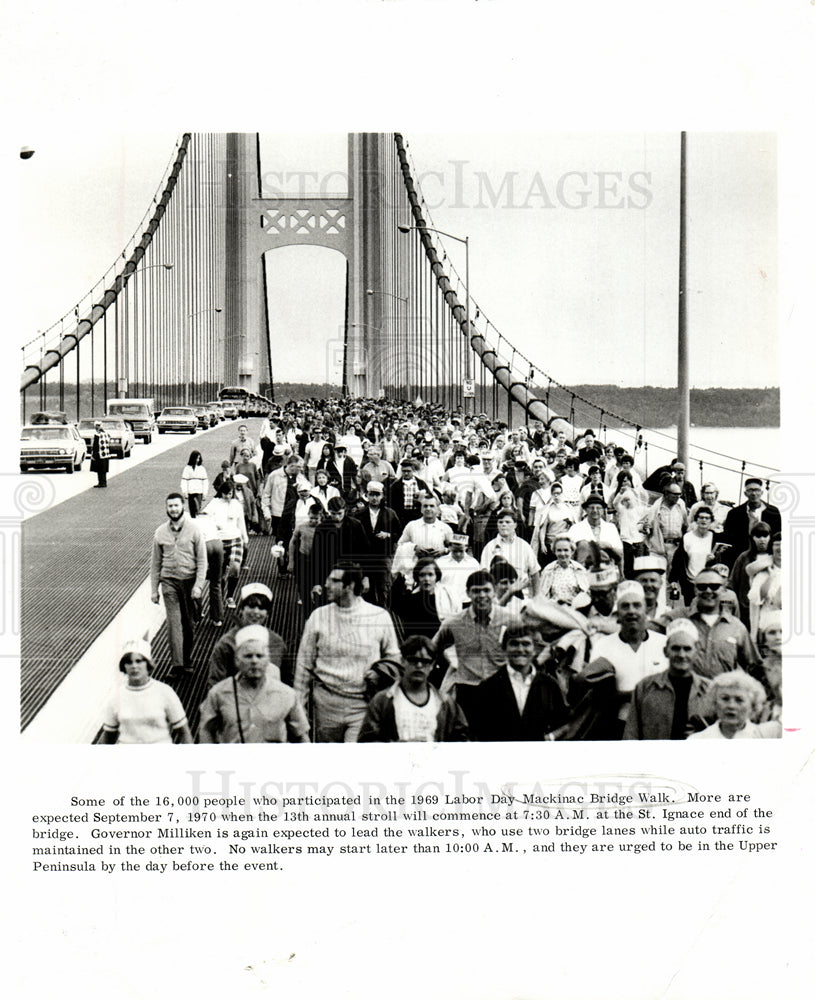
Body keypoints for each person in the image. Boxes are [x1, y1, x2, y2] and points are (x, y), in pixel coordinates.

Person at [294, 561, 400, 742]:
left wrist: (381, 673)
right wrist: (299, 713)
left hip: (363, 705)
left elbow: (394, 656)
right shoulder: (318, 616)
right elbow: (303, 667)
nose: (326, 584)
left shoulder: (379, 616)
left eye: (333, 580)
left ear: (349, 586)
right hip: (326, 705)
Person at [584, 580, 670, 737]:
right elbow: (598, 696)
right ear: (618, 613)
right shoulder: (603, 646)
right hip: (617, 726)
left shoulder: (663, 643)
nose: (631, 611)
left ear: (645, 610)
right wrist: (637, 694)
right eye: (625, 606)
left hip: (659, 726)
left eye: (637, 605)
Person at [199, 625, 310, 743]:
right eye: (248, 656)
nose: (254, 661)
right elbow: (206, 730)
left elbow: (301, 736)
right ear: (237, 660)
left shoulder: (287, 695)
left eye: (259, 656)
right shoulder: (218, 694)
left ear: (268, 660)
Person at [456, 624, 569, 741]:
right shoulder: (488, 687)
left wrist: (548, 738)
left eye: (526, 644)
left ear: (535, 650)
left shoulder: (549, 685)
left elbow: (564, 723)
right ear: (504, 648)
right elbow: (478, 732)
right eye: (514, 644)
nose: (520, 649)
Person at [358, 636, 469, 742]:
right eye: (413, 660)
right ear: (402, 661)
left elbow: (461, 741)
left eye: (425, 661)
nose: (419, 665)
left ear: (432, 665)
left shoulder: (445, 703)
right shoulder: (383, 701)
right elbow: (366, 743)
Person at [432, 569, 518, 693]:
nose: (482, 595)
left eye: (486, 590)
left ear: (494, 592)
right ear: (468, 593)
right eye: (476, 591)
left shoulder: (510, 621)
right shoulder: (454, 623)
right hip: (467, 690)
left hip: (501, 690)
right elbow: (431, 650)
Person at [623, 619, 710, 740]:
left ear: (696, 652)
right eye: (675, 648)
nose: (681, 655)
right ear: (665, 651)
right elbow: (631, 734)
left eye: (687, 649)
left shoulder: (710, 691)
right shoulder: (645, 687)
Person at [150, 493, 207, 675]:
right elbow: (155, 563)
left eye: (176, 505)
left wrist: (198, 586)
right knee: (174, 623)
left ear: (183, 506)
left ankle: (188, 659)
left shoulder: (194, 530)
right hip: (169, 582)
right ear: (166, 509)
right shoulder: (160, 532)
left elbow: (202, 561)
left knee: (188, 624)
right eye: (170, 506)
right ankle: (177, 664)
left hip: (189, 582)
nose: (173, 509)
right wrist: (154, 590)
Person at [100, 639, 192, 744]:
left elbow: (184, 732)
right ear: (123, 666)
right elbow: (108, 737)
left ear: (148, 664)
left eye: (139, 661)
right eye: (129, 662)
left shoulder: (165, 692)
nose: (134, 666)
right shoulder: (116, 697)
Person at [674, 568, 761, 679]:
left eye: (714, 586)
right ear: (695, 590)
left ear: (723, 589)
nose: (708, 591)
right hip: (687, 694)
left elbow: (755, 667)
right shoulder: (678, 618)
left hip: (722, 693)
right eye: (702, 586)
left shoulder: (736, 627)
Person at [207, 583, 289, 689]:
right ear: (241, 609)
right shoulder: (227, 643)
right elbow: (215, 683)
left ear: (268, 613)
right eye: (251, 606)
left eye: (261, 608)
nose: (256, 612)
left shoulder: (277, 642)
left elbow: (287, 681)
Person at [688, 669, 781, 740]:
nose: (731, 705)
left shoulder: (765, 737)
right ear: (714, 703)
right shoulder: (697, 740)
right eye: (725, 699)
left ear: (753, 706)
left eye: (739, 700)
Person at [355, 479, 401, 607]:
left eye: (377, 495)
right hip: (365, 558)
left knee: (383, 590)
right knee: (365, 590)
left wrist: (388, 535)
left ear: (382, 496)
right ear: (367, 496)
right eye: (371, 495)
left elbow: (399, 534)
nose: (374, 498)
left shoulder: (390, 514)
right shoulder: (359, 515)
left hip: (383, 557)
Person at [206, 480, 249, 610]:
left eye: (230, 494)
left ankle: (230, 595)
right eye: (225, 494)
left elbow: (241, 522)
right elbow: (204, 517)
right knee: (220, 571)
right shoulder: (214, 503)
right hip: (220, 540)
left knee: (235, 568)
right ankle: (220, 596)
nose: (228, 497)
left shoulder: (236, 504)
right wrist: (213, 525)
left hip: (235, 539)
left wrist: (245, 538)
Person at [669, 505, 721, 604]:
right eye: (701, 517)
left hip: (708, 583)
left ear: (711, 521)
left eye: (707, 518)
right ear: (696, 520)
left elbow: (721, 561)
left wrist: (714, 559)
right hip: (690, 583)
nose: (704, 520)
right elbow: (678, 559)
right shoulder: (687, 537)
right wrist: (673, 579)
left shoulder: (715, 538)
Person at [480, 510, 540, 596]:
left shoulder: (524, 546)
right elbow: (485, 573)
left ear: (515, 525)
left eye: (507, 522)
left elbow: (535, 573)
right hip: (498, 596)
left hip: (522, 595)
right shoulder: (489, 547)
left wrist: (536, 597)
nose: (503, 525)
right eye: (500, 522)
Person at [722, 477, 781, 559]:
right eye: (750, 490)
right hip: (742, 556)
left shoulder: (773, 512)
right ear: (745, 493)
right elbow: (728, 538)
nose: (753, 493)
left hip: (767, 555)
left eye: (757, 490)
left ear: (761, 492)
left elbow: (778, 536)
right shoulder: (734, 514)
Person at [729, 521, 772, 626]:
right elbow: (733, 582)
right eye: (758, 536)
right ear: (752, 538)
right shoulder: (744, 558)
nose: (762, 539)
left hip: (769, 609)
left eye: (765, 535)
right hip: (746, 610)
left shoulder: (776, 558)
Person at [567, 494, 623, 565]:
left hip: (607, 570)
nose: (595, 510)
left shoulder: (611, 528)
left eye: (598, 508)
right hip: (584, 571)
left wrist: (609, 546)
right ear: (586, 510)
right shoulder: (575, 528)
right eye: (591, 508)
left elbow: (621, 554)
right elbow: (568, 552)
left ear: (603, 510)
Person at [642, 480, 688, 566]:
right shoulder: (655, 508)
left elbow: (685, 526)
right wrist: (645, 528)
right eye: (674, 494)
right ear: (666, 494)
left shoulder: (681, 506)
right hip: (658, 548)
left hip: (676, 548)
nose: (678, 496)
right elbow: (643, 525)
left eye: (679, 494)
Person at [746, 531, 782, 640]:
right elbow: (756, 599)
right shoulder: (763, 573)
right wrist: (770, 578)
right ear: (771, 547)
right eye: (777, 544)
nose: (780, 548)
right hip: (769, 623)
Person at [538, 536, 589, 607]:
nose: (562, 554)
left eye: (566, 550)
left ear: (572, 551)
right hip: (554, 610)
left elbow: (586, 595)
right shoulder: (548, 570)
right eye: (559, 550)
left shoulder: (580, 570)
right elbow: (542, 596)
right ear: (554, 551)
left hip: (575, 609)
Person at [436, 533, 481, 612]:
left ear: (466, 547)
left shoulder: (474, 563)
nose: (458, 554)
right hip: (446, 604)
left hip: (467, 603)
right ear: (449, 547)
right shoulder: (440, 562)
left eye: (461, 551)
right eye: (455, 551)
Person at [180, 450, 209, 518]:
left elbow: (205, 482)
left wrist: (205, 493)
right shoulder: (187, 469)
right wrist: (185, 492)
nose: (197, 460)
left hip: (199, 492)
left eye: (199, 458)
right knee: (192, 511)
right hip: (191, 492)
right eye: (196, 458)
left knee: (197, 509)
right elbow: (184, 481)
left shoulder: (202, 469)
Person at [90, 419, 111, 488]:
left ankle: (101, 483)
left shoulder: (97, 435)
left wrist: (93, 455)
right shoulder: (106, 433)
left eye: (97, 426)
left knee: (99, 469)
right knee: (104, 470)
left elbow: (95, 446)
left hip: (99, 454)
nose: (96, 427)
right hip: (106, 454)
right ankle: (104, 482)